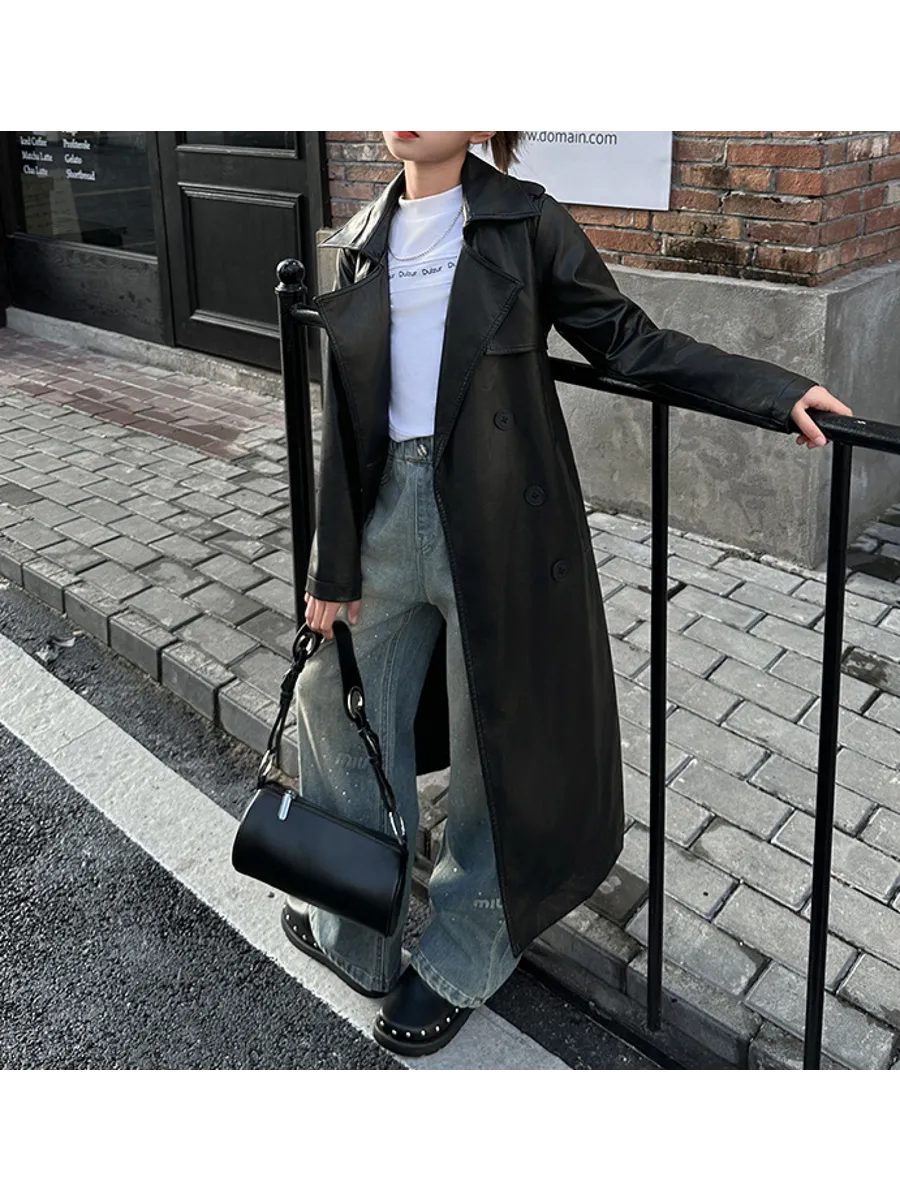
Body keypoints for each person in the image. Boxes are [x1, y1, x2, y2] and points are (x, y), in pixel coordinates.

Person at [282, 129, 854, 1057]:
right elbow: (347, 417)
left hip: (497, 522)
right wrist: (331, 564)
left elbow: (627, 339)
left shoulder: (524, 221)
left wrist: (770, 389)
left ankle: (465, 952)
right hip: (384, 518)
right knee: (335, 707)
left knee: (492, 749)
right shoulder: (361, 236)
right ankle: (354, 929)